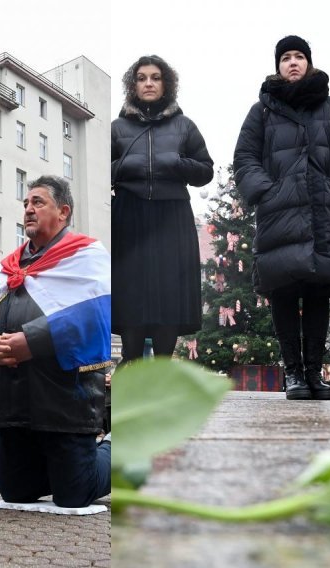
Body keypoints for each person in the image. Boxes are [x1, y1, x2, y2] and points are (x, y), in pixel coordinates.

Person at [0, 175, 111, 508]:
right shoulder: (7, 268)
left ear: (63, 212)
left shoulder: (87, 255)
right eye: (26, 203)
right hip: (15, 404)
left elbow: (95, 312)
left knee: (73, 497)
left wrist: (30, 340)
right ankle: (60, 470)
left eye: (38, 202)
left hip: (65, 400)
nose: (28, 209)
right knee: (16, 492)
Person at [233, 36, 330, 400]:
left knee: (319, 289)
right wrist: (268, 192)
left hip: (324, 210)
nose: (293, 62)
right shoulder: (261, 112)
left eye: (299, 57)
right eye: (286, 57)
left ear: (309, 62)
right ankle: (292, 372)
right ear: (277, 65)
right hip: (279, 213)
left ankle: (313, 373)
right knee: (284, 291)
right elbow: (244, 158)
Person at [111, 55, 214, 365]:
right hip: (129, 215)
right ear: (133, 85)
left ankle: (163, 370)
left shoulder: (184, 125)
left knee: (169, 293)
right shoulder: (117, 127)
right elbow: (98, 169)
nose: (149, 83)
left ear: (166, 84)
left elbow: (205, 170)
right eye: (142, 78)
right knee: (132, 292)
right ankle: (130, 365)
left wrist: (176, 163)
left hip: (172, 215)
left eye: (155, 77)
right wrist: (125, 165)